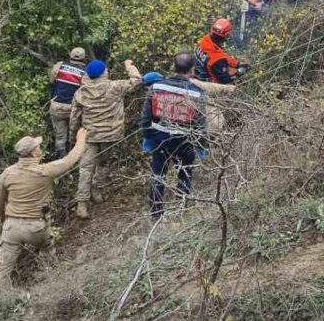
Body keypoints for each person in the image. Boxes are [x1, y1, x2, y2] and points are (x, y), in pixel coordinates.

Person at [0, 127, 88, 289]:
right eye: (38, 147)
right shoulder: (46, 171)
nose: (40, 148)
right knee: (47, 248)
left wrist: (5, 220)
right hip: (36, 227)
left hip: (11, 228)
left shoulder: (7, 173)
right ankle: (50, 281)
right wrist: (81, 139)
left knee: (2, 270)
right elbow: (71, 159)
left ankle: (0, 301)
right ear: (34, 154)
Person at [69, 58, 142, 219]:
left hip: (90, 136)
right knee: (104, 162)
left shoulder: (81, 92)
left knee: (85, 168)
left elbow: (74, 118)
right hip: (111, 135)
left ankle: (82, 203)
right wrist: (129, 66)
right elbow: (137, 81)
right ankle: (97, 190)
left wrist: (73, 137)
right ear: (104, 73)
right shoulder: (115, 87)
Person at [139, 52, 208, 219]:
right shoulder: (197, 93)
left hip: (159, 139)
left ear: (174, 67)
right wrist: (202, 144)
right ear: (192, 70)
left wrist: (147, 135)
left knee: (158, 175)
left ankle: (156, 212)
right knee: (184, 174)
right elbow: (200, 123)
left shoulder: (156, 87)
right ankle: (180, 208)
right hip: (185, 142)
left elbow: (145, 117)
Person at [47, 47, 87, 159]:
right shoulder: (85, 72)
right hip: (73, 108)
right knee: (74, 135)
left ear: (70, 55)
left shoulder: (60, 66)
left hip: (57, 106)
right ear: (84, 58)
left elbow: (52, 81)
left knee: (60, 137)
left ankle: (62, 161)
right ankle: (74, 160)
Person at [195, 18, 248, 84]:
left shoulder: (205, 40)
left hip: (198, 75)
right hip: (209, 85)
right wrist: (239, 72)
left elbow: (220, 55)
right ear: (226, 35)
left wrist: (237, 63)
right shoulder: (217, 60)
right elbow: (225, 80)